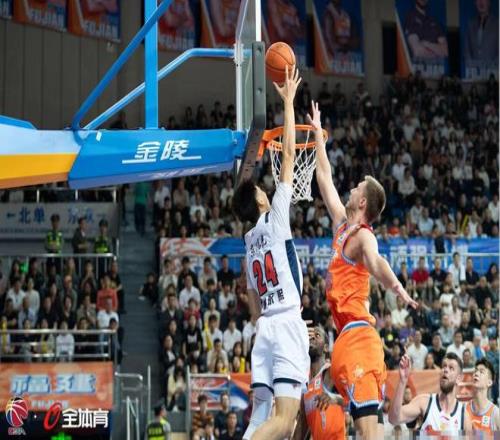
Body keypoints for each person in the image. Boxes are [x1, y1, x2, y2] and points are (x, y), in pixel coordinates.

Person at [310, 99, 417, 439]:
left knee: (369, 434)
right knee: (366, 431)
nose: (351, 188)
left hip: (359, 338)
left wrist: (397, 287)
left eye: (356, 187)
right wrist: (318, 137)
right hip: (345, 339)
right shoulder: (342, 225)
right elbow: (323, 177)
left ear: (362, 202)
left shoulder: (363, 237)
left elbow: (376, 262)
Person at [232, 67, 308, 440]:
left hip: (264, 328)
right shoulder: (275, 217)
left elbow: (251, 295)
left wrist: (264, 319)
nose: (266, 189)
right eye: (261, 189)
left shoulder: (249, 243)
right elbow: (290, 154)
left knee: (260, 417)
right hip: (284, 323)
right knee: (285, 419)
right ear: (261, 199)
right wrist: (289, 102)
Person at [389, 353, 466, 435]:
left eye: (451, 368)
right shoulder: (424, 402)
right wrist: (403, 380)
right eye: (444, 366)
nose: (446, 370)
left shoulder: (464, 416)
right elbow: (394, 419)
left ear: (459, 378)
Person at [292, 326, 345, 440]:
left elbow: (353, 400)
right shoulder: (305, 383)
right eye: (310, 336)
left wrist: (336, 399)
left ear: (325, 348)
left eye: (317, 335)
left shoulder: (330, 371)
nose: (312, 338)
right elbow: (302, 425)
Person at [464, 358, 500, 435]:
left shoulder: (496, 414)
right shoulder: (464, 409)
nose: (476, 373)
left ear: (489, 382)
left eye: (481, 372)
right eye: (475, 371)